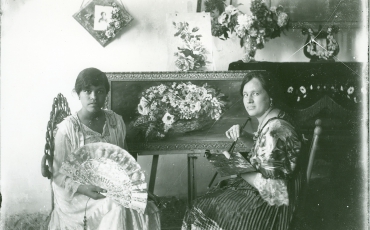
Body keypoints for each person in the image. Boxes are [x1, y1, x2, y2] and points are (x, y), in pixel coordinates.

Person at [182, 71, 303, 230]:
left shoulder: (274, 130)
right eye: (245, 95)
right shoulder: (275, 118)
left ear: (270, 95)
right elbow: (267, 155)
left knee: (202, 206)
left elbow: (275, 192)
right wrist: (246, 137)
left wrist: (237, 167)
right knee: (211, 198)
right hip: (270, 196)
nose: (249, 100)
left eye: (256, 93)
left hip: (272, 208)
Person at [48, 68, 161, 230]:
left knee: (144, 206)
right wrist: (83, 188)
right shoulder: (67, 129)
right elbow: (58, 175)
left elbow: (123, 161)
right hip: (77, 193)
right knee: (118, 207)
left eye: (99, 91)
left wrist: (136, 188)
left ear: (106, 94)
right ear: (78, 93)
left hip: (110, 186)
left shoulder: (115, 121)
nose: (94, 97)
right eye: (87, 91)